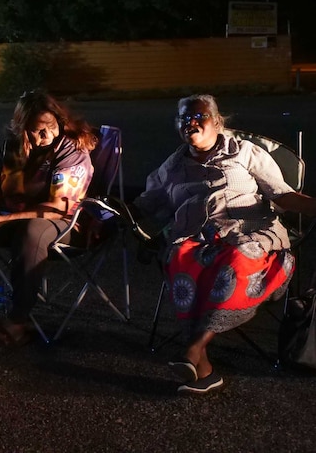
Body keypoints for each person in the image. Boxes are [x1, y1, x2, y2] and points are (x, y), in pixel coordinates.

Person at [133, 94, 316, 394]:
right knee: (179, 256)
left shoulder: (244, 153)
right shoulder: (173, 166)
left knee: (237, 261)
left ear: (217, 122)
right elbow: (146, 202)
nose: (190, 122)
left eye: (198, 116)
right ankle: (203, 367)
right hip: (199, 242)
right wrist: (105, 214)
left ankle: (194, 349)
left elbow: (282, 195)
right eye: (183, 117)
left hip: (251, 238)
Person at [0, 90, 96, 351]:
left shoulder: (70, 149)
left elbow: (58, 207)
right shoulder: (12, 147)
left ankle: (18, 321)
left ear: (60, 122)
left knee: (32, 230)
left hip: (64, 224)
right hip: (12, 217)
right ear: (21, 128)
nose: (43, 137)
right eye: (34, 130)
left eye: (49, 128)